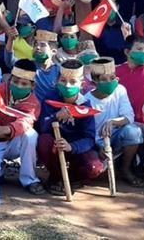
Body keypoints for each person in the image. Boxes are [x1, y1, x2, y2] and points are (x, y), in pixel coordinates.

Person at [37, 60, 104, 195]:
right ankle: (55, 177)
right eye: (63, 81)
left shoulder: (85, 106)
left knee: (94, 167)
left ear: (82, 84)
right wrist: (56, 116)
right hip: (55, 146)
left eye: (73, 82)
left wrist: (72, 147)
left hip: (75, 148)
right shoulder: (50, 98)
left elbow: (89, 138)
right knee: (43, 141)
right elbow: (42, 127)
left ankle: (72, 178)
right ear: (57, 81)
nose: (67, 85)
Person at [0, 59, 45, 195]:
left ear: (32, 86)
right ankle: (0, 170)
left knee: (31, 135)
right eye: (15, 82)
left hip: (14, 142)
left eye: (24, 84)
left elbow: (25, 122)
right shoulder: (2, 89)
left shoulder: (33, 104)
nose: (18, 86)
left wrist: (5, 129)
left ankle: (29, 179)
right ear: (9, 80)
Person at [86, 57, 144, 186]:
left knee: (134, 132)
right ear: (95, 81)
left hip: (117, 136)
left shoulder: (120, 90)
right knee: (92, 170)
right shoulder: (86, 101)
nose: (109, 82)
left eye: (112, 78)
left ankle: (125, 168)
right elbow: (86, 132)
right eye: (104, 79)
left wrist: (112, 122)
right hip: (96, 142)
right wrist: (99, 146)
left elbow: (129, 117)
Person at [116, 37, 144, 125]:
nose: (143, 53)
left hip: (142, 124)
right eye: (139, 49)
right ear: (127, 52)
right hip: (119, 122)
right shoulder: (116, 71)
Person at [92, 0, 133, 65]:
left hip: (123, 64)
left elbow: (131, 49)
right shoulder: (97, 27)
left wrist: (127, 36)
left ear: (117, 7)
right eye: (104, 6)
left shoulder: (126, 25)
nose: (108, 10)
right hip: (103, 64)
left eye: (110, 6)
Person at [30, 30, 61, 102]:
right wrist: (10, 40)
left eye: (42, 45)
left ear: (53, 51)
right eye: (35, 44)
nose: (37, 47)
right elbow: (9, 61)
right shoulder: (28, 66)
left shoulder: (59, 71)